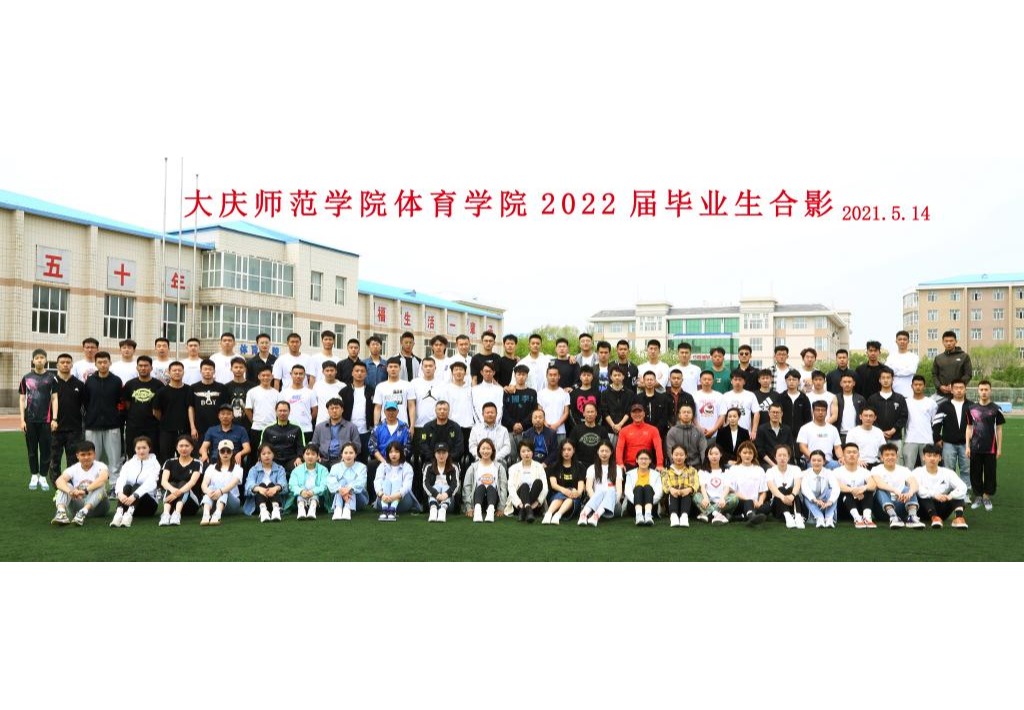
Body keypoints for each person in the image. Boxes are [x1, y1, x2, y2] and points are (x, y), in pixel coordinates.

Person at [82, 351, 123, 491]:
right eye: (99, 362)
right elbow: (86, 402)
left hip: (112, 425)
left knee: (114, 459)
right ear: (95, 364)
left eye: (105, 362)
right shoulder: (90, 381)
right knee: (93, 458)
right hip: (92, 425)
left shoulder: (116, 381)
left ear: (110, 363)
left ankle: (114, 486)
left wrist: (115, 416)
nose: (103, 365)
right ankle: (94, 486)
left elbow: (120, 401)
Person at [20, 347, 57, 491]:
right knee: (32, 449)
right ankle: (34, 475)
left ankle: (43, 476)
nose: (39, 360)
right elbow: (22, 399)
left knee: (46, 449)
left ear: (46, 360)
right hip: (30, 419)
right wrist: (22, 420)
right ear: (33, 360)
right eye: (37, 358)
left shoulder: (51, 378)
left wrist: (55, 418)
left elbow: (54, 399)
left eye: (42, 358)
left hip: (46, 420)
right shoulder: (26, 378)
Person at [966, 380, 1004, 511]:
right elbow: (969, 428)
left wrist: (999, 448)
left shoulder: (996, 409)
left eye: (986, 389)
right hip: (975, 447)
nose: (984, 392)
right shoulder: (971, 409)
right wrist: (967, 446)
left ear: (990, 391)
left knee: (990, 473)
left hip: (990, 448)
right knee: (975, 473)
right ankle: (978, 496)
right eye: (981, 389)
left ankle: (986, 496)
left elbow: (999, 429)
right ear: (978, 391)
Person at [51, 440, 109, 526]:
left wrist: (85, 491)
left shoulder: (101, 466)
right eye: (83, 455)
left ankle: (83, 512)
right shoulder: (74, 468)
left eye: (89, 454)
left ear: (94, 455)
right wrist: (70, 492)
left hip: (99, 508)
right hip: (78, 506)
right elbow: (59, 481)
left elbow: (103, 479)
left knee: (101, 486)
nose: (86, 457)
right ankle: (61, 513)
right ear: (77, 456)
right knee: (66, 485)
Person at [912, 444, 969, 528]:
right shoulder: (917, 472)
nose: (932, 458)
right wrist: (934, 495)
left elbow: (963, 487)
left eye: (935, 456)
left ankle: (959, 518)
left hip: (942, 510)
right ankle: (934, 518)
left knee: (957, 492)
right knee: (923, 494)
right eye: (929, 455)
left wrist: (950, 496)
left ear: (940, 458)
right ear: (923, 457)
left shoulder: (948, 472)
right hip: (924, 511)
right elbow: (917, 489)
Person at [49, 352, 86, 482]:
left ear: (71, 365)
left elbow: (84, 406)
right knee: (54, 460)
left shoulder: (79, 384)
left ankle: (72, 485)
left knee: (74, 461)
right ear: (57, 365)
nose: (65, 365)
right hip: (55, 429)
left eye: (68, 362)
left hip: (74, 429)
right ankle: (57, 486)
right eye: (62, 362)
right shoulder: (51, 383)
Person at [111, 436, 161, 528]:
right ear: (135, 449)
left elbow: (151, 483)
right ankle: (118, 514)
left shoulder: (155, 464)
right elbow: (121, 479)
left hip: (147, 507)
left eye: (144, 448)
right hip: (128, 502)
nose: (141, 451)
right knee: (126, 487)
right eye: (138, 448)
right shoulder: (129, 463)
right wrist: (119, 493)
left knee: (137, 486)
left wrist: (135, 495)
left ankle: (129, 515)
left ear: (149, 448)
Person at [870, 442, 923, 529]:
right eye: (887, 455)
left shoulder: (904, 470)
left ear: (897, 456)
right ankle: (893, 517)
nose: (890, 457)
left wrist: (910, 492)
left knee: (908, 489)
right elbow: (879, 483)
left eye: (892, 455)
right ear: (882, 457)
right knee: (880, 490)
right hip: (882, 511)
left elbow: (914, 483)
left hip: (901, 506)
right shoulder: (876, 469)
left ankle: (912, 517)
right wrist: (895, 490)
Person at [121, 355, 164, 460]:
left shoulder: (158, 385)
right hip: (133, 425)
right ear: (137, 368)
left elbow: (161, 406)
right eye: (140, 366)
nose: (143, 368)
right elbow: (127, 404)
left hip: (152, 426)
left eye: (146, 366)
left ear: (151, 368)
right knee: (133, 453)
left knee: (153, 454)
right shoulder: (130, 384)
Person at [933, 379, 971, 493]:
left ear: (965, 389)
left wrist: (972, 441)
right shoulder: (944, 406)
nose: (959, 390)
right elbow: (936, 424)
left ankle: (964, 493)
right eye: (956, 388)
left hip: (966, 444)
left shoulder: (971, 406)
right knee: (948, 470)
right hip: (948, 443)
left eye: (961, 388)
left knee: (966, 469)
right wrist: (937, 438)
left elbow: (976, 426)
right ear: (952, 390)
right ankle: (949, 492)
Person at [152, 361, 193, 463]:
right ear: (169, 372)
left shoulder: (189, 390)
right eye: (174, 370)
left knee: (186, 457)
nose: (177, 372)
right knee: (166, 458)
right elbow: (156, 411)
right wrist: (166, 420)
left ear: (183, 372)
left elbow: (191, 408)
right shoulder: (161, 391)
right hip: (166, 431)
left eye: (179, 370)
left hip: (185, 430)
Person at [159, 434, 203, 525]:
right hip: (172, 501)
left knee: (184, 483)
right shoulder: (169, 462)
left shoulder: (197, 463)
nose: (184, 448)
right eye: (181, 446)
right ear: (177, 447)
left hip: (190, 505)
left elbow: (192, 482)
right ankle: (166, 514)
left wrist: (177, 493)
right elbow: (164, 482)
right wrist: (174, 491)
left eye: (187, 446)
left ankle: (177, 514)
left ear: (192, 448)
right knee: (172, 484)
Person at [577, 441, 622, 526]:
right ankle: (583, 515)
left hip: (613, 505)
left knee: (611, 490)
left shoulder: (617, 468)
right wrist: (597, 501)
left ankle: (596, 516)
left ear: (611, 452)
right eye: (602, 451)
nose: (604, 453)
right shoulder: (592, 468)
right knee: (601, 490)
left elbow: (619, 491)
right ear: (598, 452)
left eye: (607, 451)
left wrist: (612, 500)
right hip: (594, 503)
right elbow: (589, 488)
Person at [834, 443, 877, 528]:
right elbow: (836, 485)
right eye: (848, 452)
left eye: (854, 452)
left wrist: (863, 488)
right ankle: (857, 518)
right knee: (846, 491)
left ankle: (867, 518)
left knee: (868, 490)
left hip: (860, 506)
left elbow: (873, 485)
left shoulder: (864, 471)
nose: (852, 454)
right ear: (843, 455)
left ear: (858, 455)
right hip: (844, 507)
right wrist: (852, 490)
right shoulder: (836, 471)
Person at [464, 438, 508, 523]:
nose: (485, 451)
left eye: (488, 448)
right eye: (483, 448)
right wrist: (469, 508)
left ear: (492, 451)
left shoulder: (499, 467)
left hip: (493, 501)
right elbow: (467, 487)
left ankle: (490, 512)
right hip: (477, 501)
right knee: (481, 487)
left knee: (491, 488)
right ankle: (477, 512)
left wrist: (501, 508)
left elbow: (503, 488)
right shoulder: (473, 468)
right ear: (479, 450)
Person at [374, 441, 420, 521]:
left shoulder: (407, 467)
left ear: (401, 453)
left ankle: (393, 509)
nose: (393, 454)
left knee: (397, 482)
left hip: (402, 502)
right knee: (387, 482)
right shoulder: (382, 466)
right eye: (391, 452)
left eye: (396, 452)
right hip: (383, 500)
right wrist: (382, 495)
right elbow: (377, 482)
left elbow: (407, 486)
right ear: (387, 454)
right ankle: (384, 510)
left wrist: (394, 497)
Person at [867, 367, 908, 456]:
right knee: (878, 461)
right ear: (879, 380)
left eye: (888, 378)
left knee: (895, 462)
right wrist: (880, 432)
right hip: (876, 437)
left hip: (895, 437)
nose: (886, 380)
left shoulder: (900, 398)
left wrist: (894, 429)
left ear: (893, 379)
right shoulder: (872, 399)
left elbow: (903, 417)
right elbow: (869, 417)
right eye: (883, 378)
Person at [200, 440, 243, 525]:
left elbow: (233, 484)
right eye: (222, 451)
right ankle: (206, 514)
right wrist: (208, 491)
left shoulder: (238, 468)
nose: (225, 453)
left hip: (232, 504)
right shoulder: (211, 467)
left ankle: (217, 515)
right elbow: (204, 484)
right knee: (211, 488)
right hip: (213, 502)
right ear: (218, 452)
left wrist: (220, 491)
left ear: (232, 453)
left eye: (228, 451)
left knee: (224, 489)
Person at [310, 397, 360, 468]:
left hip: (343, 459)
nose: (334, 410)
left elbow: (357, 446)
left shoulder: (351, 427)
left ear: (342, 410)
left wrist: (347, 456)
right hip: (323, 459)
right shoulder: (319, 427)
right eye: (331, 408)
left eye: (337, 408)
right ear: (328, 411)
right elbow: (314, 445)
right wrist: (317, 455)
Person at [506, 440, 548, 522]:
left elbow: (545, 488)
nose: (526, 453)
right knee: (524, 486)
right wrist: (520, 504)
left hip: (535, 506)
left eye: (528, 451)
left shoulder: (539, 467)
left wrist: (537, 503)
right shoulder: (513, 468)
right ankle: (527, 510)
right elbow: (511, 488)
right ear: (519, 453)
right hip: (519, 505)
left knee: (538, 482)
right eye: (523, 451)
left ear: (532, 452)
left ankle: (525, 511)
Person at [543, 440, 584, 524]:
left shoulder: (580, 466)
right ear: (560, 451)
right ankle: (548, 514)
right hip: (556, 498)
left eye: (569, 449)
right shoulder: (554, 466)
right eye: (564, 449)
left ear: (574, 450)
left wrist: (577, 492)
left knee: (570, 497)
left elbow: (580, 488)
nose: (566, 452)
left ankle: (557, 515)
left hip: (573, 500)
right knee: (562, 495)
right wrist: (564, 490)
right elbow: (554, 485)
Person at [244, 443, 287, 522]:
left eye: (269, 453)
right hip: (258, 504)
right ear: (259, 456)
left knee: (271, 485)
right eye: (263, 454)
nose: (267, 456)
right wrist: (259, 489)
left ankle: (276, 510)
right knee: (262, 485)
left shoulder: (280, 469)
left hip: (275, 501)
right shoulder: (253, 469)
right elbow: (248, 487)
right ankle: (263, 511)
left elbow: (284, 486)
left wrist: (275, 488)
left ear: (273, 454)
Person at [694, 445, 736, 525]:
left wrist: (722, 498)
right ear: (707, 456)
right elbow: (702, 487)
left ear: (721, 455)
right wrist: (705, 498)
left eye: (716, 454)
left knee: (734, 498)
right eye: (711, 454)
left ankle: (707, 514)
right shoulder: (702, 472)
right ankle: (717, 515)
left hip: (721, 503)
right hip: (707, 502)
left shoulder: (726, 471)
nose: (714, 456)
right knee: (696, 495)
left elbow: (727, 487)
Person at [374, 356, 418, 433]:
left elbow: (411, 406)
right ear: (387, 369)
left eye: (395, 367)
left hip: (403, 426)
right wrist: (376, 426)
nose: (393, 369)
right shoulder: (380, 387)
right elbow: (378, 408)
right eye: (390, 367)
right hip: (385, 427)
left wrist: (412, 426)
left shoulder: (408, 385)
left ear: (400, 368)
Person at [902, 375, 938, 469]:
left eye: (920, 385)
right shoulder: (906, 402)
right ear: (912, 386)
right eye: (916, 384)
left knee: (928, 468)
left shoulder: (931, 403)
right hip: (910, 439)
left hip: (927, 439)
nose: (918, 387)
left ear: (924, 386)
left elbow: (934, 422)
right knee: (908, 468)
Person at [326, 442, 368, 521]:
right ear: (341, 454)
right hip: (340, 497)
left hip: (359, 499)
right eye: (345, 453)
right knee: (342, 482)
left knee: (350, 485)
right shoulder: (335, 467)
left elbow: (361, 482)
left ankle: (347, 508)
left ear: (355, 455)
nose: (348, 455)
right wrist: (340, 489)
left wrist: (349, 488)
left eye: (351, 453)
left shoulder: (362, 467)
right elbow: (330, 481)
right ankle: (338, 509)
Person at [258, 402, 305, 471]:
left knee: (299, 468)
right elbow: (262, 448)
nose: (282, 413)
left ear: (289, 412)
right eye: (280, 411)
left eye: (285, 411)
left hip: (292, 460)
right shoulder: (268, 429)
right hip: (273, 460)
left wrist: (299, 458)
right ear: (276, 412)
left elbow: (301, 447)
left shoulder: (297, 429)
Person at [502, 364, 538, 456]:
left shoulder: (532, 393)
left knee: (526, 455)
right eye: (519, 374)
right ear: (515, 375)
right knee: (511, 457)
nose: (521, 377)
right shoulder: (508, 392)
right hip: (510, 430)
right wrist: (513, 424)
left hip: (527, 431)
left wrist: (522, 424)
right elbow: (504, 411)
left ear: (527, 376)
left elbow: (534, 412)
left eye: (523, 374)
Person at [765, 445, 804, 529]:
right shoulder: (770, 471)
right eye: (779, 455)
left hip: (793, 501)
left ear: (789, 457)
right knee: (781, 489)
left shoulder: (796, 469)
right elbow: (772, 488)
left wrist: (792, 496)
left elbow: (797, 485)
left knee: (791, 489)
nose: (782, 458)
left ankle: (798, 517)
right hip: (778, 505)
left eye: (784, 455)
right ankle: (788, 517)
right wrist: (783, 498)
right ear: (775, 457)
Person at [730, 441, 768, 525]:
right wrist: (749, 500)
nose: (747, 455)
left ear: (754, 454)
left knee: (767, 507)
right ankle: (751, 516)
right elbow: (732, 491)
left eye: (750, 453)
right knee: (748, 503)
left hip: (756, 504)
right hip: (740, 502)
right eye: (745, 453)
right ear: (739, 453)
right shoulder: (733, 469)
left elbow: (763, 491)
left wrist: (760, 502)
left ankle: (742, 516)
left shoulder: (759, 470)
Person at [616, 403, 664, 470]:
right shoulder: (624, 430)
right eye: (634, 412)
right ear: (631, 415)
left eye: (639, 412)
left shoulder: (653, 430)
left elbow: (658, 447)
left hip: (647, 464)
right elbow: (619, 448)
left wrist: (660, 464)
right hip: (630, 465)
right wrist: (620, 463)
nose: (637, 414)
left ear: (644, 414)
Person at [422, 442, 460, 523]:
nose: (441, 455)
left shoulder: (454, 467)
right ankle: (433, 510)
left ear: (448, 454)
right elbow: (425, 484)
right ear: (435, 454)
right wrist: (436, 494)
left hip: (449, 501)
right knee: (436, 486)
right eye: (439, 453)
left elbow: (455, 485)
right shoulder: (428, 467)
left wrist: (446, 494)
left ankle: (442, 510)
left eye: (444, 453)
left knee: (445, 486)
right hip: (433, 498)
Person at [662, 444, 699, 527]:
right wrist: (671, 489)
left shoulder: (692, 470)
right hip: (671, 500)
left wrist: (688, 489)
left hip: (687, 501)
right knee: (672, 493)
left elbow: (695, 484)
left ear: (686, 456)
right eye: (676, 454)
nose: (679, 457)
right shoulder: (666, 471)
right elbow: (665, 484)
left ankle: (684, 517)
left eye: (681, 455)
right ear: (672, 455)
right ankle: (673, 517)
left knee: (686, 494)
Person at [288, 444, 330, 520]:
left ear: (318, 456)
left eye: (313, 454)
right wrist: (301, 491)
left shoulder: (324, 470)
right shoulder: (296, 470)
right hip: (301, 496)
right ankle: (301, 510)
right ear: (303, 456)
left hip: (318, 499)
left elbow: (324, 485)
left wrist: (313, 491)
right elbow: (292, 485)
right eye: (307, 454)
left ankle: (312, 510)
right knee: (300, 495)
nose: (310, 456)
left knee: (315, 496)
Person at [796, 401, 842, 467]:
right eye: (818, 410)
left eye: (823, 410)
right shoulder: (805, 428)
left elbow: (837, 447)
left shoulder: (833, 429)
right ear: (813, 411)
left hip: (829, 461)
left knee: (839, 465)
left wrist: (841, 457)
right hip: (811, 461)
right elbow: (802, 447)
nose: (820, 412)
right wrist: (815, 458)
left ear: (826, 412)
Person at [801, 451, 840, 528]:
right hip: (813, 503)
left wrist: (830, 501)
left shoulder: (829, 472)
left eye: (819, 460)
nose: (816, 463)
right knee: (807, 496)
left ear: (824, 462)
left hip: (826, 504)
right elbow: (804, 489)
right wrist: (815, 500)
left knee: (831, 492)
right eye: (814, 460)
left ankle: (829, 518)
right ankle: (819, 518)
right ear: (810, 461)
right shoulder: (805, 473)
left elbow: (836, 487)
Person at [624, 449, 663, 526]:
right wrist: (638, 502)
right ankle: (638, 516)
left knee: (648, 487)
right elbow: (627, 491)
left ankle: (648, 515)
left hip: (651, 507)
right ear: (637, 460)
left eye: (646, 459)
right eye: (641, 459)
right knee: (638, 488)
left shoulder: (656, 474)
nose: (643, 461)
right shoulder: (630, 474)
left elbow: (659, 492)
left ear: (650, 461)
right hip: (634, 507)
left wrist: (648, 502)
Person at [600, 364, 636, 446]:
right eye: (615, 375)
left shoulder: (629, 393)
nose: (617, 377)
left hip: (626, 428)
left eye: (619, 375)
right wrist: (613, 425)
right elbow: (604, 411)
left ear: (623, 376)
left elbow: (629, 411)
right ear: (611, 377)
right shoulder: (605, 393)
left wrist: (620, 425)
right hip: (609, 429)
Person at [932, 331, 973, 401]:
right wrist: (940, 386)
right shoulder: (938, 358)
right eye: (946, 341)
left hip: (958, 395)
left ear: (956, 341)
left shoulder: (964, 356)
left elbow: (968, 374)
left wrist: (955, 386)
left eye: (951, 341)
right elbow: (934, 374)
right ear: (943, 342)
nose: (948, 343)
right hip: (941, 395)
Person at [719, 370, 760, 437]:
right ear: (731, 381)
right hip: (729, 433)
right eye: (735, 379)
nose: (737, 382)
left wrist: (754, 431)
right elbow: (722, 414)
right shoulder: (725, 396)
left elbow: (756, 413)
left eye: (740, 380)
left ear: (744, 382)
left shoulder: (750, 395)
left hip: (746, 432)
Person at [411, 357, 448, 429]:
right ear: (422, 368)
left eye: (430, 366)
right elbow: (411, 405)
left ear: (435, 368)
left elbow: (444, 405)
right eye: (425, 366)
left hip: (436, 425)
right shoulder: (414, 383)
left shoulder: (442, 384)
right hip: (418, 425)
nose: (428, 368)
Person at [537, 365, 571, 442]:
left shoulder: (565, 393)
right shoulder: (540, 393)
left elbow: (566, 412)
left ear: (559, 376)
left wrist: (557, 425)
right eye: (550, 375)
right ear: (547, 376)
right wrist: (545, 423)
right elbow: (539, 411)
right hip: (544, 429)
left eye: (555, 375)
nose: (553, 377)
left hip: (560, 431)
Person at [756, 403, 795, 470]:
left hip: (784, 461)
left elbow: (789, 449)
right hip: (767, 463)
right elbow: (760, 450)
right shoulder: (762, 429)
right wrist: (773, 465)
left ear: (781, 414)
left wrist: (783, 463)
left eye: (777, 412)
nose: (775, 414)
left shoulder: (787, 429)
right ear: (769, 413)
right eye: (773, 412)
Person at [636, 370, 672, 441]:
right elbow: (636, 416)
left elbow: (664, 417)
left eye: (651, 380)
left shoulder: (663, 398)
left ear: (655, 381)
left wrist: (654, 431)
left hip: (659, 434)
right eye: (647, 380)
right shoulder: (637, 398)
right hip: (641, 434)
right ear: (644, 381)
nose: (649, 382)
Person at [311, 360, 347, 428]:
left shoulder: (342, 386)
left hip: (338, 423)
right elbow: (314, 404)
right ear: (323, 372)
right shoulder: (317, 385)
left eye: (332, 370)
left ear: (336, 371)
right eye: (327, 371)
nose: (329, 373)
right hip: (321, 422)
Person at [692, 370, 724, 441]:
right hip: (697, 434)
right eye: (704, 379)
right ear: (700, 381)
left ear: (713, 381)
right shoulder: (694, 395)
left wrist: (713, 430)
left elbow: (722, 415)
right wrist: (699, 428)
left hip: (715, 435)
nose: (707, 381)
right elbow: (692, 414)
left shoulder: (719, 396)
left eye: (709, 379)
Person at [887, 330, 920, 398]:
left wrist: (895, 371)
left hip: (909, 393)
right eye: (900, 339)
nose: (902, 341)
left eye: (904, 339)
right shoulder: (891, 356)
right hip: (893, 392)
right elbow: (888, 371)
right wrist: (904, 369)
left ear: (908, 341)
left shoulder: (914, 357)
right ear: (896, 341)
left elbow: (911, 370)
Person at [568, 365, 601, 432]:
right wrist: (578, 426)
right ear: (580, 377)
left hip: (594, 427)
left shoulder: (597, 393)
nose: (586, 377)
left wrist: (595, 424)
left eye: (588, 375)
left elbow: (600, 411)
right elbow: (572, 412)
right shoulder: (574, 393)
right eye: (584, 375)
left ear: (592, 377)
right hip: (578, 428)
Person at [834, 373, 865, 444]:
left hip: (856, 434)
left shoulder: (860, 398)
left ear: (854, 383)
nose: (847, 384)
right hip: (840, 434)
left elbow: (864, 415)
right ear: (841, 383)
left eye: (849, 382)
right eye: (844, 382)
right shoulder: (836, 398)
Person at [779, 369, 812, 434]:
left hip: (801, 433)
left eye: (794, 379)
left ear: (799, 381)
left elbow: (808, 417)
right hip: (783, 432)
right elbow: (777, 415)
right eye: (789, 380)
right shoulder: (781, 397)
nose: (791, 382)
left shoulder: (804, 398)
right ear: (786, 381)